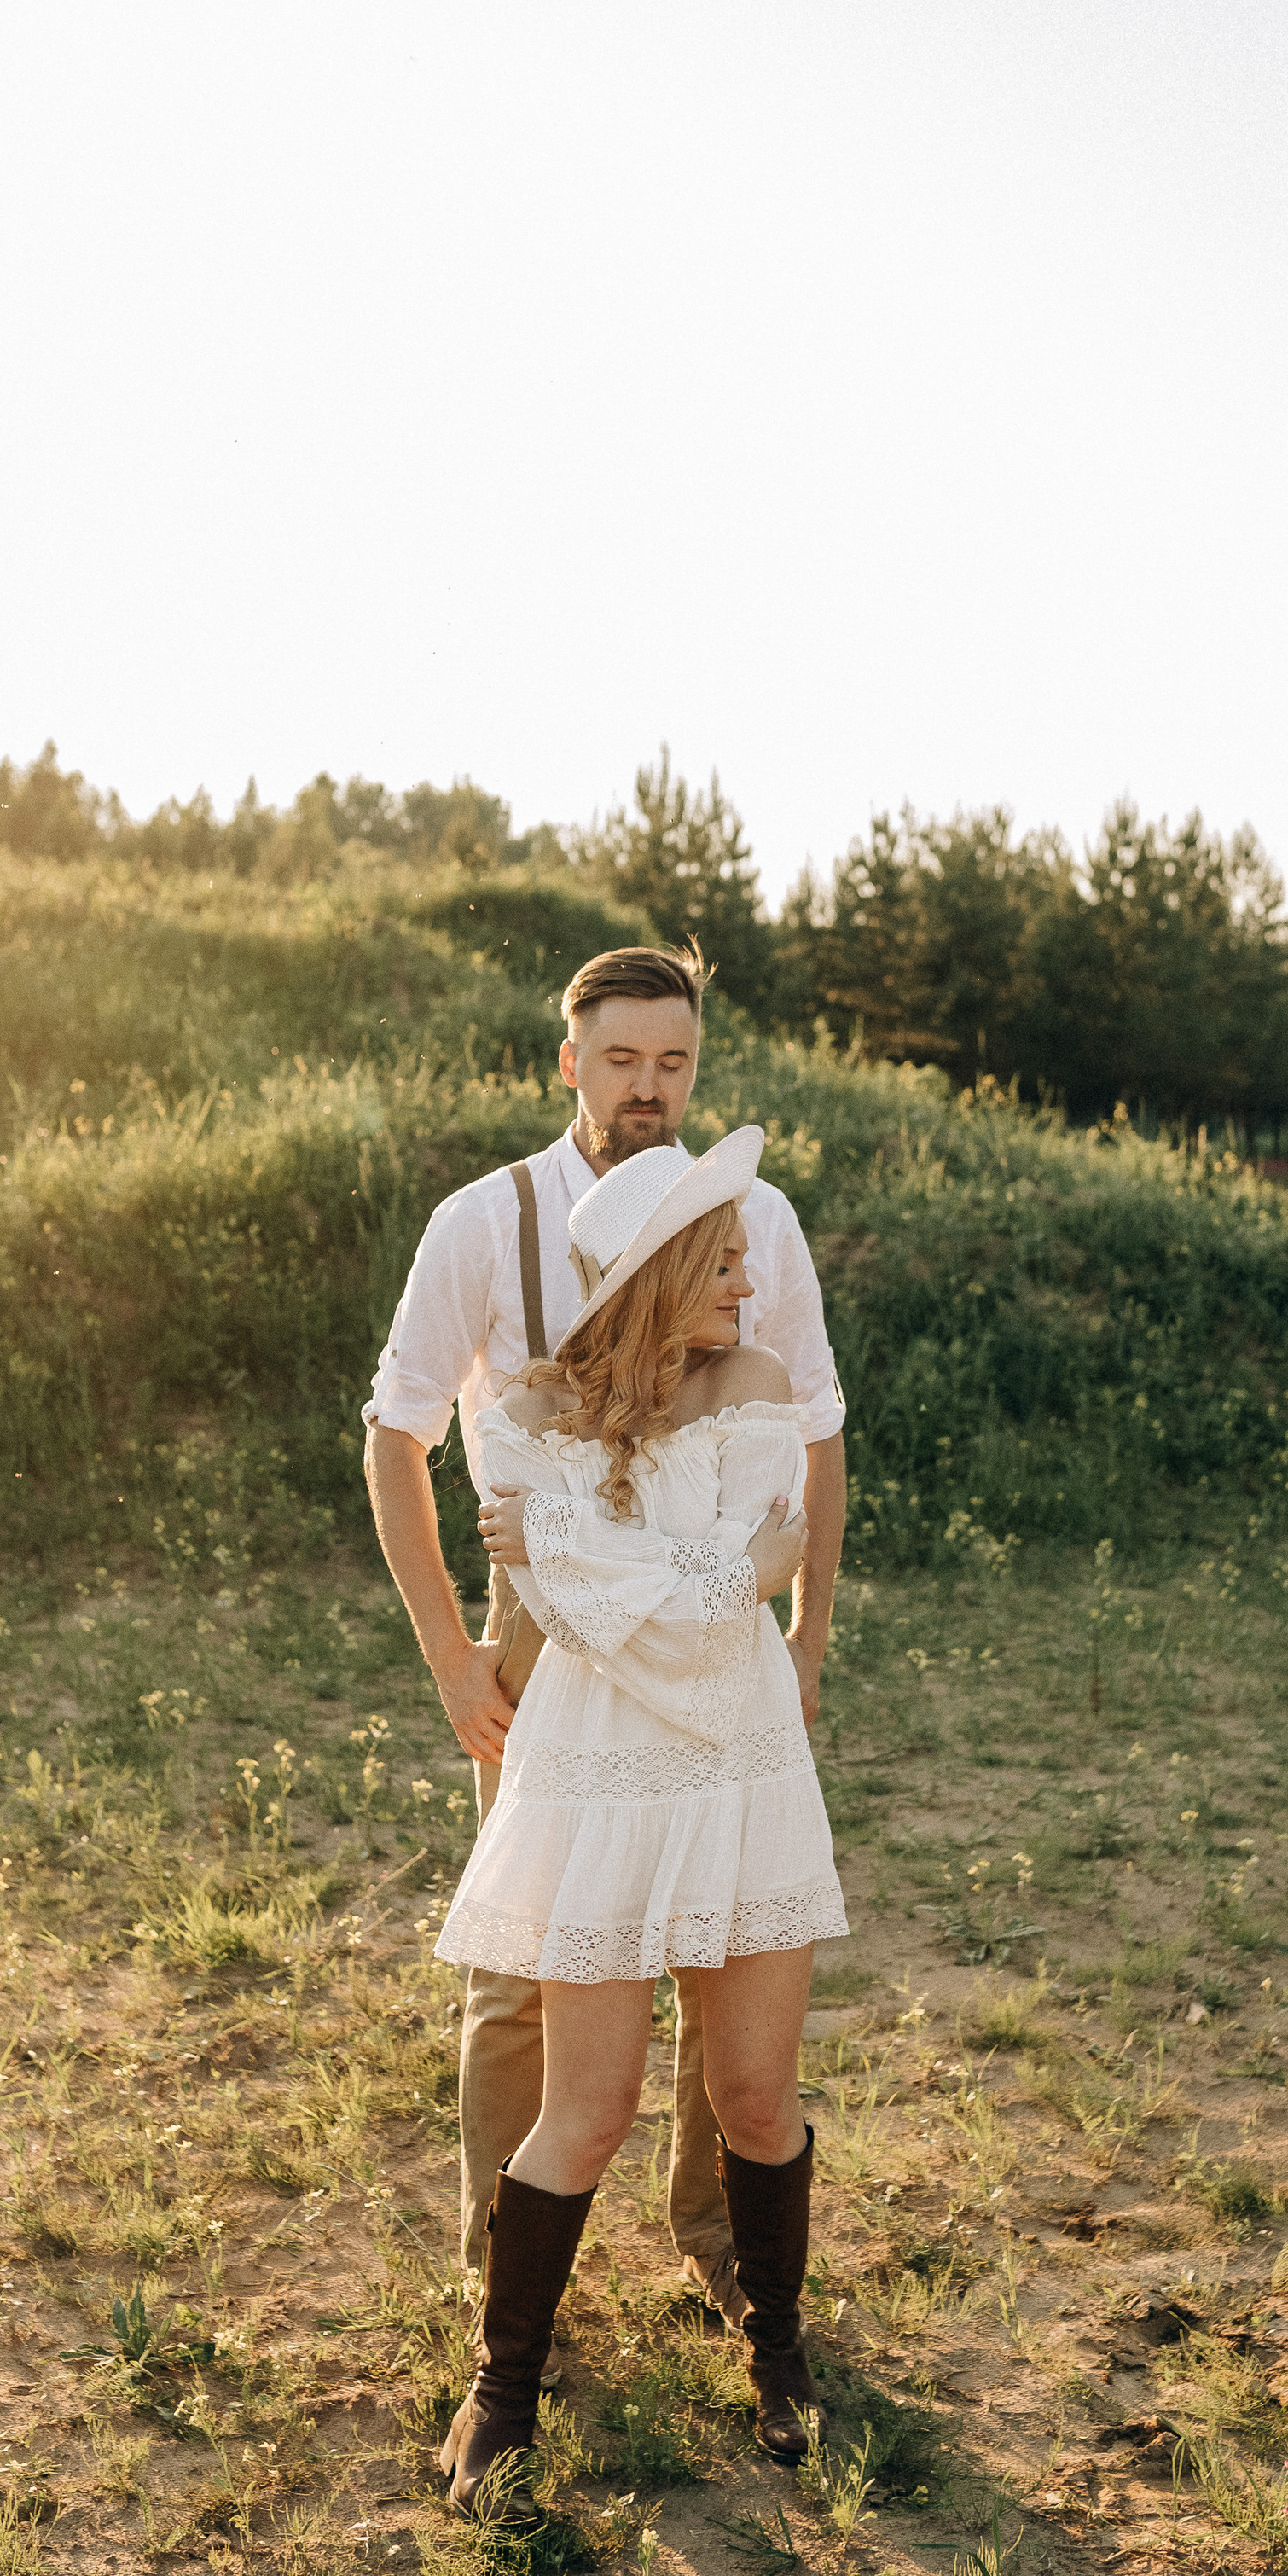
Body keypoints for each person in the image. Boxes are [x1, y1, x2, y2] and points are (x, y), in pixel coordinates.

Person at [362, 943, 847, 2318]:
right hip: (546, 1628)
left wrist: (807, 1639)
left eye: (675, 1062)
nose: (650, 1086)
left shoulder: (759, 1222)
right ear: (570, 1059)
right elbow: (395, 1431)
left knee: (721, 1937)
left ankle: (727, 2254)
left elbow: (816, 1434)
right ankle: (506, 2279)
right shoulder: (483, 1221)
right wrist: (454, 1654)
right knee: (535, 1970)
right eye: (622, 1059)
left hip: (723, 1620)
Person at [431, 1125, 846, 2508]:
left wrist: (587, 1554)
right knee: (588, 2106)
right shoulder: (525, 1423)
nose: (749, 1280)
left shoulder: (760, 1387)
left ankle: (778, 2352)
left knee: (752, 2094)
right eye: (724, 1260)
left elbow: (629, 1614)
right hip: (594, 1782)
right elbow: (635, 1621)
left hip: (737, 1771)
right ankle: (502, 2389)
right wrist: (720, 1568)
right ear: (660, 1271)